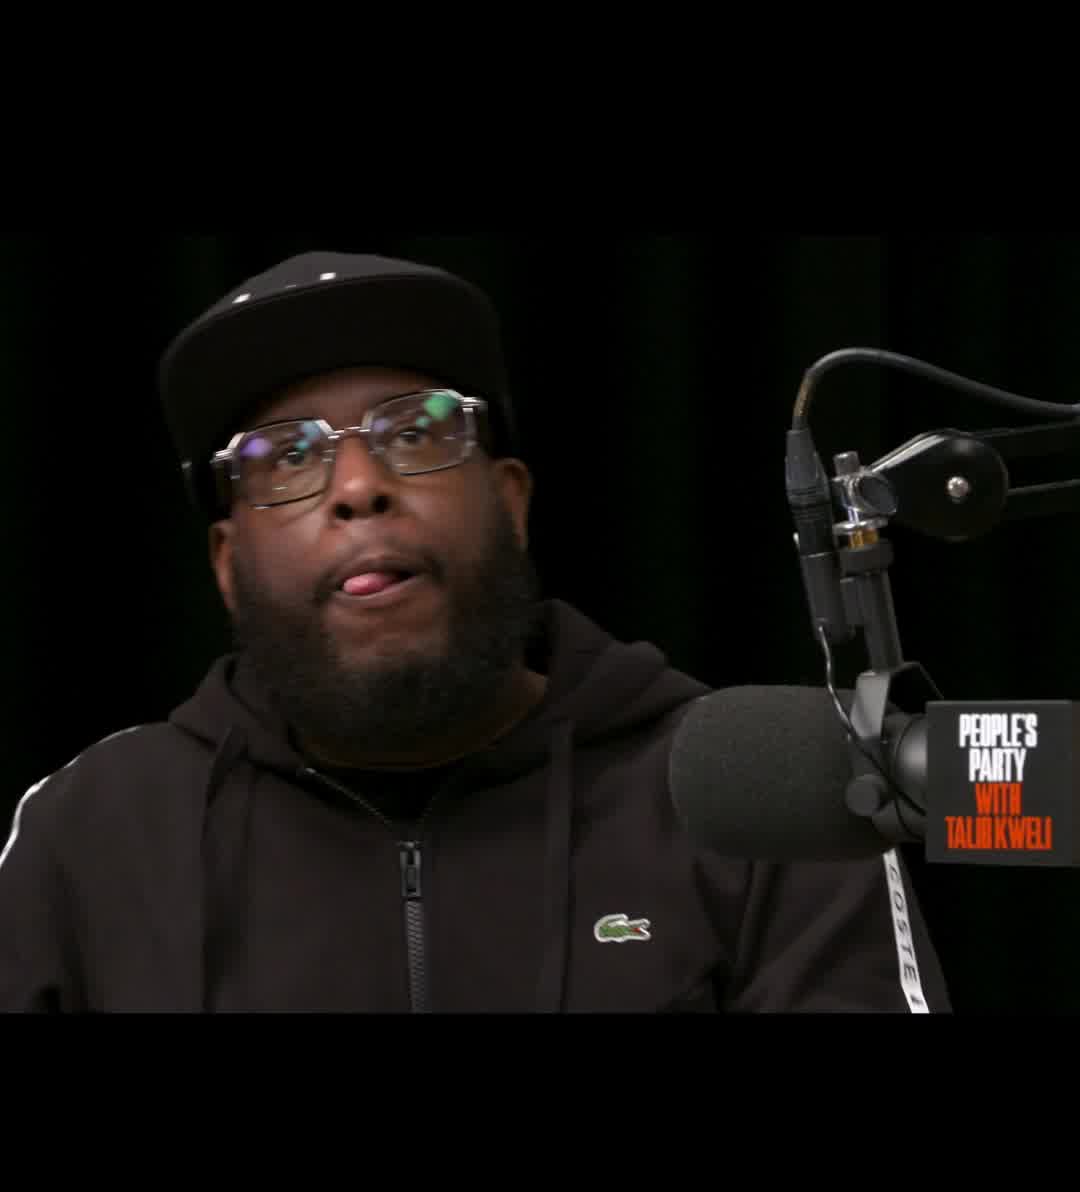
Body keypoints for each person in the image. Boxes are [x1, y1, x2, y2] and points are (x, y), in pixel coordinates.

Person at [0, 250, 950, 1014]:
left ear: (512, 501)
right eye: (284, 456)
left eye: (415, 432)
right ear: (225, 560)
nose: (358, 485)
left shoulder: (767, 796)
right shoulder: (88, 834)